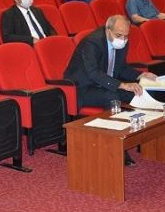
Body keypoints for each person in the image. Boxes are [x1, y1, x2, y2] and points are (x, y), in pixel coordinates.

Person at [63, 15, 157, 166]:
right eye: (119, 35)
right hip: (83, 87)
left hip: (105, 84)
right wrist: (122, 85)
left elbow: (121, 67)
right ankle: (117, 148)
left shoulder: (121, 41)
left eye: (126, 35)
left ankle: (144, 138)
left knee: (139, 92)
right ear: (108, 31)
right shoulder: (92, 42)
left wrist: (140, 75)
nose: (123, 39)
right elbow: (93, 73)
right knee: (111, 97)